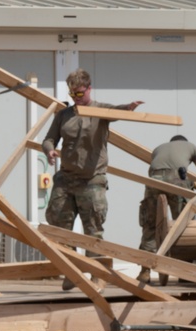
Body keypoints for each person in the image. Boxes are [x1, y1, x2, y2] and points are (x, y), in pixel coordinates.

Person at [43, 69, 144, 290]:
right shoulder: (63, 115)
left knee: (93, 230)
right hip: (66, 180)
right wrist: (49, 150)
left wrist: (129, 107)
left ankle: (97, 275)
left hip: (92, 180)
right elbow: (49, 139)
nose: (75, 98)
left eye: (79, 93)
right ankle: (73, 272)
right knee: (61, 227)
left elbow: (118, 111)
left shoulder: (100, 111)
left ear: (89, 88)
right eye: (72, 94)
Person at [137, 134, 196, 284]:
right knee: (182, 225)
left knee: (150, 225)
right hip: (177, 181)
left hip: (153, 180)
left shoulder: (158, 149)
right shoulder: (191, 147)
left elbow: (160, 170)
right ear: (184, 143)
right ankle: (184, 272)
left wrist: (190, 183)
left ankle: (145, 271)